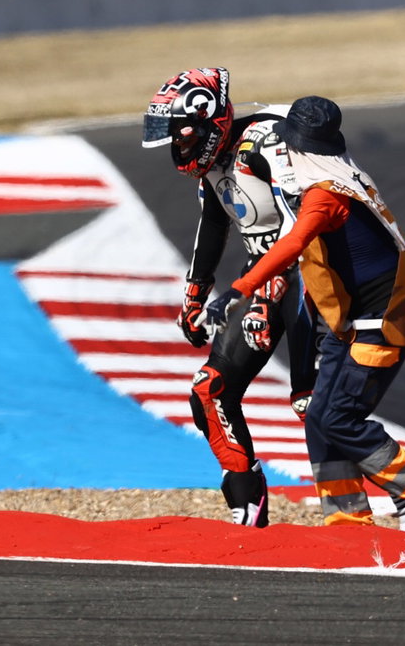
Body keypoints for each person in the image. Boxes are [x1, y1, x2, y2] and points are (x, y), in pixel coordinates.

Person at [230, 95, 405, 536]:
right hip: (351, 320)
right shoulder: (336, 170)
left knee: (339, 415)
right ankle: (346, 517)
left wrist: (241, 286)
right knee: (320, 414)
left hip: (381, 320)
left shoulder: (324, 192)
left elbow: (292, 243)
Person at [140, 67, 316, 528]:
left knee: (312, 403)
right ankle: (248, 507)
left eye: (182, 138)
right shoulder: (211, 167)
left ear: (210, 124)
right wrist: (194, 295)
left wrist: (275, 284)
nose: (178, 150)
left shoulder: (265, 143)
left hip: (314, 277)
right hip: (260, 279)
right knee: (209, 391)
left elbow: (307, 226)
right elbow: (214, 227)